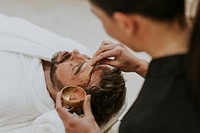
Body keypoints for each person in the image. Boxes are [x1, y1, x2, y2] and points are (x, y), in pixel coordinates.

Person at [56, 0, 200, 132]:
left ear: (126, 24)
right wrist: (141, 67)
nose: (75, 52)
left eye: (101, 19)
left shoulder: (146, 123)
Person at [0, 14, 126, 132]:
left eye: (78, 68)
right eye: (89, 58)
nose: (76, 52)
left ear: (71, 97)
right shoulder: (67, 49)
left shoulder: (9, 99)